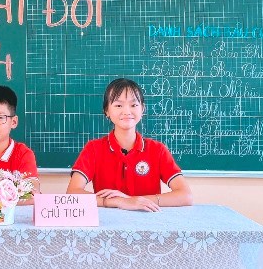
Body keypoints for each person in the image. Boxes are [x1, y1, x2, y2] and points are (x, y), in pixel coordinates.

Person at [67, 78, 192, 212]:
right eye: (118, 105)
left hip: (149, 220)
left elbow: (185, 196)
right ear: (107, 110)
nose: (127, 111)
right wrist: (119, 201)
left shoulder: (157, 150)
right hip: (108, 222)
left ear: (143, 109)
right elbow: (73, 194)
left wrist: (136, 201)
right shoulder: (93, 148)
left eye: (133, 105)